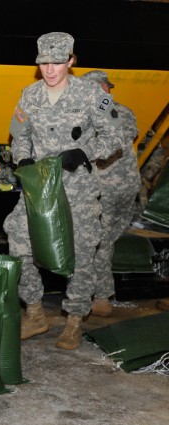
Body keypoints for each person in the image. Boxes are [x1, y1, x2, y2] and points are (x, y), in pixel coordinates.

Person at [5, 32, 122, 350]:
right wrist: (23, 157)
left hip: (78, 189)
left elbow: (115, 136)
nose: (50, 69)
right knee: (18, 242)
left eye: (57, 62)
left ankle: (73, 321)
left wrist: (86, 153)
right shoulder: (29, 95)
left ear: (71, 61)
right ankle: (34, 312)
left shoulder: (91, 95)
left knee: (82, 254)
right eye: (44, 62)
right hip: (39, 186)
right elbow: (19, 135)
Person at [80, 70, 140, 317]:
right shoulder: (125, 111)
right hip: (128, 189)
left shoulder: (88, 114)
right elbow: (132, 135)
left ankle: (101, 297)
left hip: (102, 189)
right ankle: (102, 293)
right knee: (109, 240)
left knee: (98, 243)